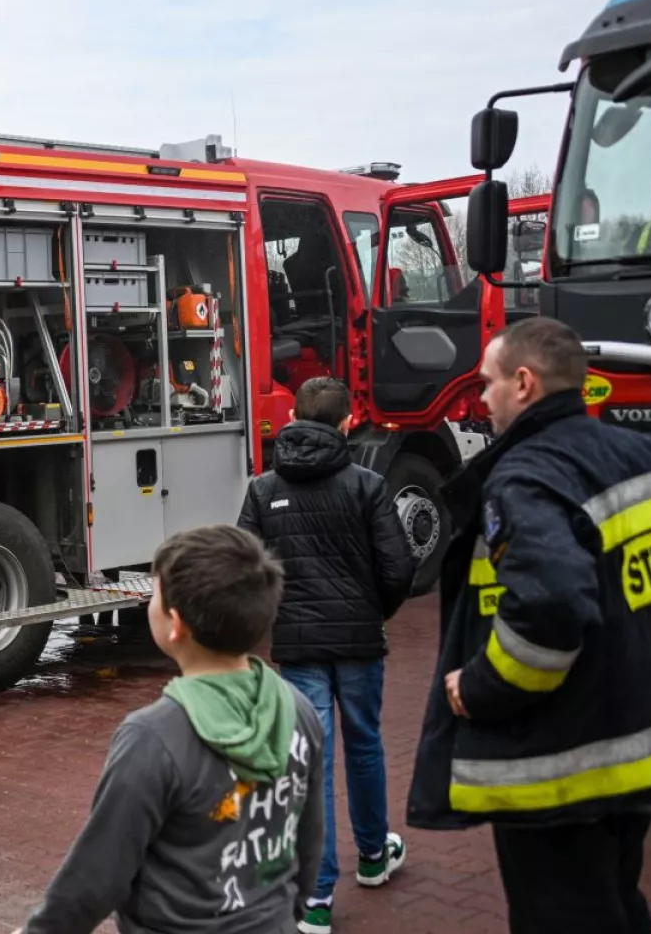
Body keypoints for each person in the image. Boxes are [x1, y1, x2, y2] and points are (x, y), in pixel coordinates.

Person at [408, 316, 651, 934]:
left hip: (560, 760)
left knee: (568, 914)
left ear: (524, 384)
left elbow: (553, 606)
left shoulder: (524, 477)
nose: (481, 401)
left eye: (487, 385)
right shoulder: (648, 451)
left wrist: (482, 685)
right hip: (636, 738)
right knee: (615, 899)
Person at [21, 524, 325, 934]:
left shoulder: (152, 738)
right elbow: (308, 845)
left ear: (175, 624)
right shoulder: (299, 710)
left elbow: (96, 878)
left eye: (155, 594)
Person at [237, 377, 415, 934]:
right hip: (361, 642)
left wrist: (276, 620)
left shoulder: (263, 489)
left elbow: (245, 570)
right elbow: (398, 568)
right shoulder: (367, 484)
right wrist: (373, 613)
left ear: (291, 415)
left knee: (311, 763)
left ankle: (316, 898)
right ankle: (371, 857)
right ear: (346, 423)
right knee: (364, 744)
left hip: (299, 646)